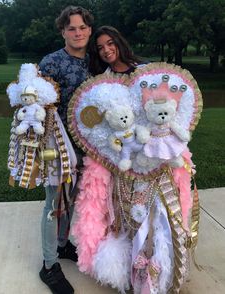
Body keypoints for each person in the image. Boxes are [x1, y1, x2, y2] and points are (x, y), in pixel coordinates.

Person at [71, 25, 197, 294]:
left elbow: (166, 110)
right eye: (100, 47)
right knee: (126, 215)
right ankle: (132, 272)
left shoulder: (146, 72)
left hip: (155, 163)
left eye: (109, 43)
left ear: (119, 41)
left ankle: (158, 269)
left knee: (158, 215)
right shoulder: (101, 81)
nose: (106, 50)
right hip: (122, 163)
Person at [38, 6, 93, 294]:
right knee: (53, 206)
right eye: (72, 28)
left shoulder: (93, 62)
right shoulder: (51, 63)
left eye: (82, 27)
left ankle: (61, 246)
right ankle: (48, 265)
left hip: (86, 148)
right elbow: (37, 109)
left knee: (71, 201)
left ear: (89, 30)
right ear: (63, 31)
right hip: (57, 148)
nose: (78, 32)